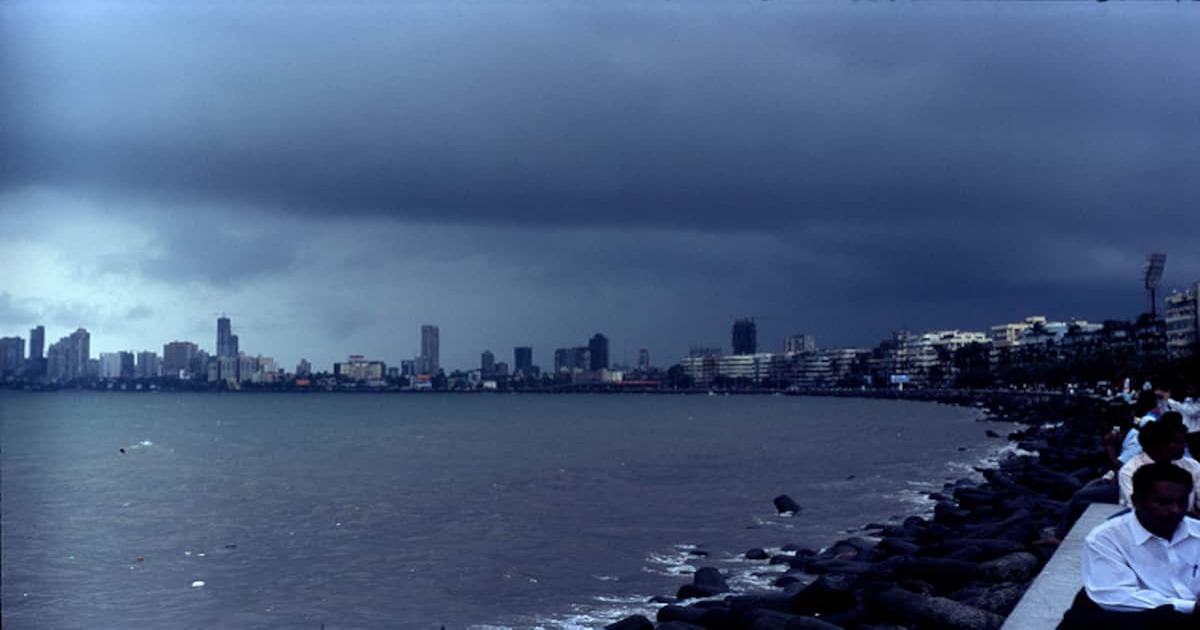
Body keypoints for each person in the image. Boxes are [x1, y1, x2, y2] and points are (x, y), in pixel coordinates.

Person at [1058, 463, 1200, 629]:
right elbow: (1114, 596)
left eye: (1182, 502)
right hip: (1139, 618)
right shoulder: (1105, 539)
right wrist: (1189, 606)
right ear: (1136, 501)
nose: (1175, 510)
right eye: (1163, 502)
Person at [1116, 414, 1200, 513]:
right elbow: (1139, 509)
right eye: (1178, 443)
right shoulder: (1130, 471)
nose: (1184, 447)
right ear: (1158, 446)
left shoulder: (1192, 466)